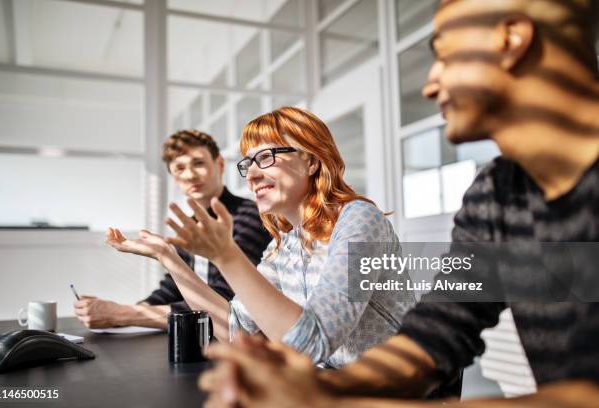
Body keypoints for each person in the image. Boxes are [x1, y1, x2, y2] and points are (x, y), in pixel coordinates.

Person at [198, 0, 599, 406]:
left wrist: (335, 399)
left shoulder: (358, 219)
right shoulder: (497, 193)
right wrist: (321, 390)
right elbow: (441, 330)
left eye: (443, 55)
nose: (429, 85)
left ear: (512, 39)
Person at [106, 106, 416, 367]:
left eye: (266, 157)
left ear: (310, 161)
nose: (252, 174)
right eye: (248, 163)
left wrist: (226, 255)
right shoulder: (286, 243)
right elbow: (235, 329)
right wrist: (168, 257)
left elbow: (312, 343)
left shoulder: (358, 218)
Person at [74, 130, 271, 329]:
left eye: (199, 163)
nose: (190, 175)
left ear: (219, 164)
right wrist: (118, 311)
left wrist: (123, 315)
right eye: (179, 168)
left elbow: (227, 300)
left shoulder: (251, 216)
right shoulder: (189, 228)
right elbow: (172, 289)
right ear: (174, 178)